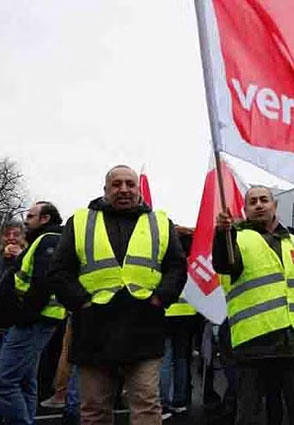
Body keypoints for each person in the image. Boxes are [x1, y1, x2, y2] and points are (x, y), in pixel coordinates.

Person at [48, 165, 188, 425]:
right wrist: (82, 302)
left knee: (146, 404)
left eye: (130, 184)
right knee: (94, 409)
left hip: (144, 326)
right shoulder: (80, 221)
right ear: (105, 190)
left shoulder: (160, 222)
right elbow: (59, 269)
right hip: (93, 328)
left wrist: (160, 299)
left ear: (138, 189)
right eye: (116, 184)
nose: (123, 189)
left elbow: (177, 266)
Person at [212, 186, 294, 425]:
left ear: (275, 205)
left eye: (264, 200)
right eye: (252, 201)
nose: (259, 205)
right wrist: (222, 234)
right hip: (254, 342)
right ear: (245, 209)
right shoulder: (235, 237)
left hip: (292, 339)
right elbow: (224, 265)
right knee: (251, 413)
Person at [0, 202, 66, 425]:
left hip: (33, 321)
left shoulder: (49, 240)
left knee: (1, 382)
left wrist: (22, 314)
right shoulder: (43, 241)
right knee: (25, 381)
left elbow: (42, 283)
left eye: (31, 216)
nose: (26, 221)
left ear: (45, 219)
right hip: (34, 319)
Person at [160, 226, 199, 419]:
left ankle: (164, 404)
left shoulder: (166, 259)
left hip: (166, 313)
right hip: (188, 315)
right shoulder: (195, 261)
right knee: (182, 359)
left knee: (165, 359)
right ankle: (180, 400)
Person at [0, 222, 25, 366]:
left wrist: (21, 258)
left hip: (13, 328)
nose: (11, 238)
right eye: (7, 234)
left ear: (23, 238)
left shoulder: (29, 260)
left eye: (16, 235)